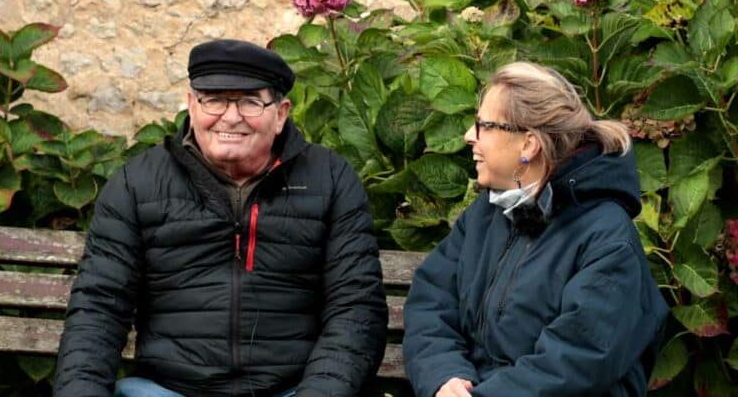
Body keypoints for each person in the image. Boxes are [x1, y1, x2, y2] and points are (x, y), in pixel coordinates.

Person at [54, 39, 388, 396]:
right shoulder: (137, 183)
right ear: (192, 105)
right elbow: (98, 307)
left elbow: (355, 307)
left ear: (281, 113)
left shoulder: (331, 179)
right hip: (168, 391)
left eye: (249, 102)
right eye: (214, 99)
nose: (230, 117)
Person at [402, 61, 668, 397]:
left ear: (528, 145)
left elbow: (575, 363)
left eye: (483, 125)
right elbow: (432, 300)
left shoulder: (606, 238)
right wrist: (444, 375)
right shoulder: (487, 213)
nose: (469, 136)